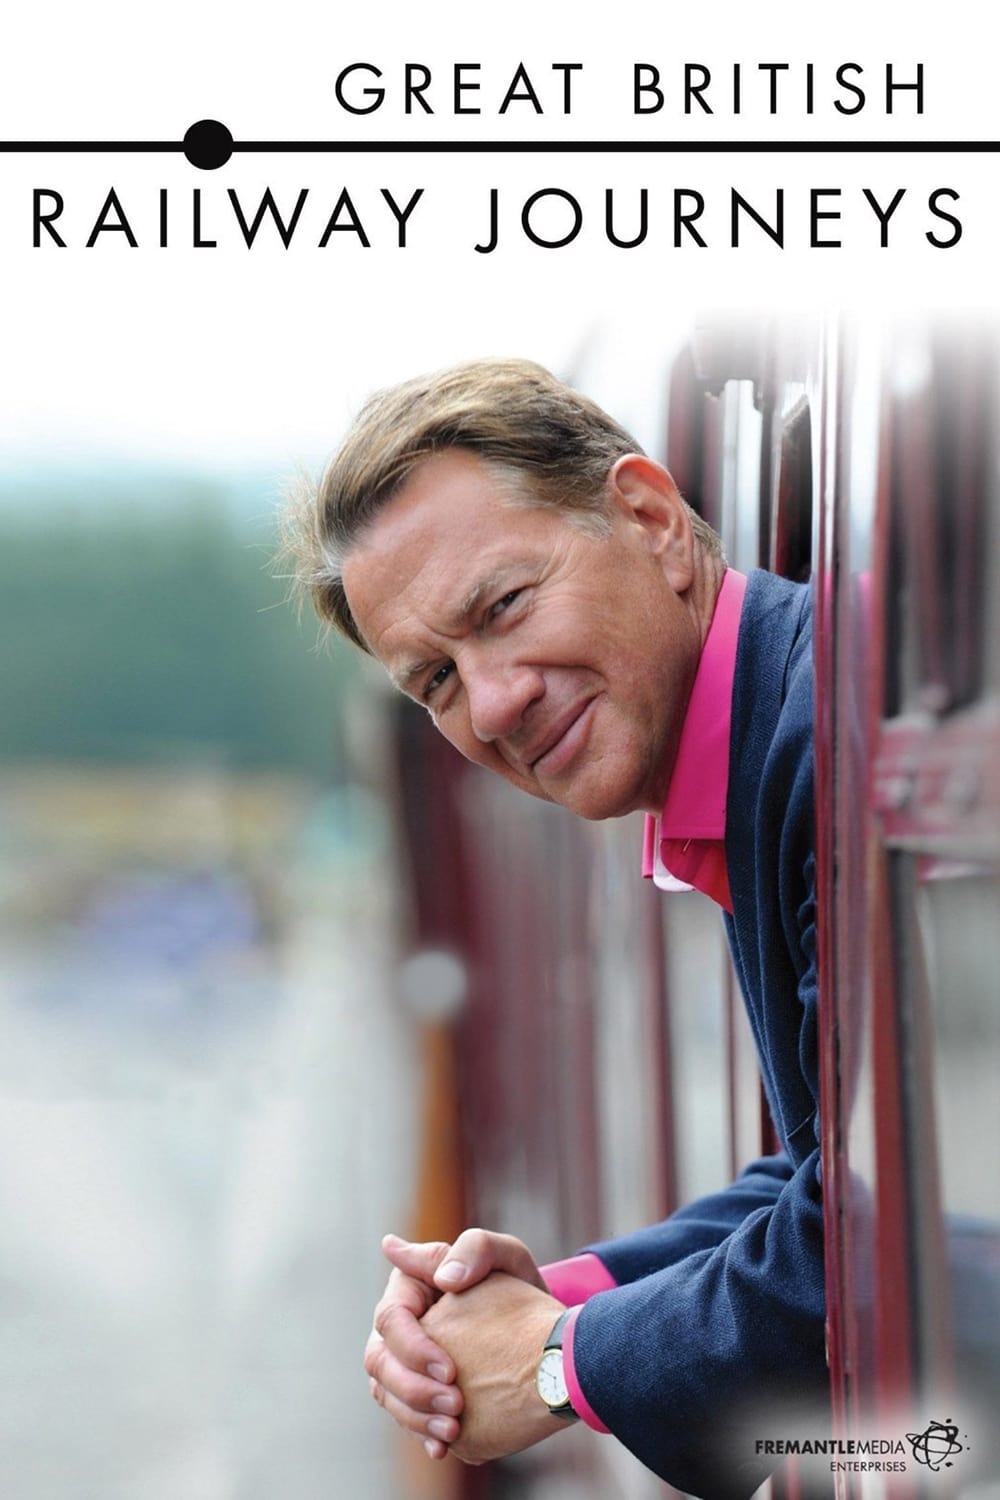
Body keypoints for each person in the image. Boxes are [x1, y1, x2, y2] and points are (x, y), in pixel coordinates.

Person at [281, 358, 827, 1499]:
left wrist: (552, 1364)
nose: (491, 705)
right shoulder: (775, 724)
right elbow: (829, 1173)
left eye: (503, 607)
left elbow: (882, 1242)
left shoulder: (818, 750)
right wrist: (549, 1303)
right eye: (436, 680)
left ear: (651, 520)